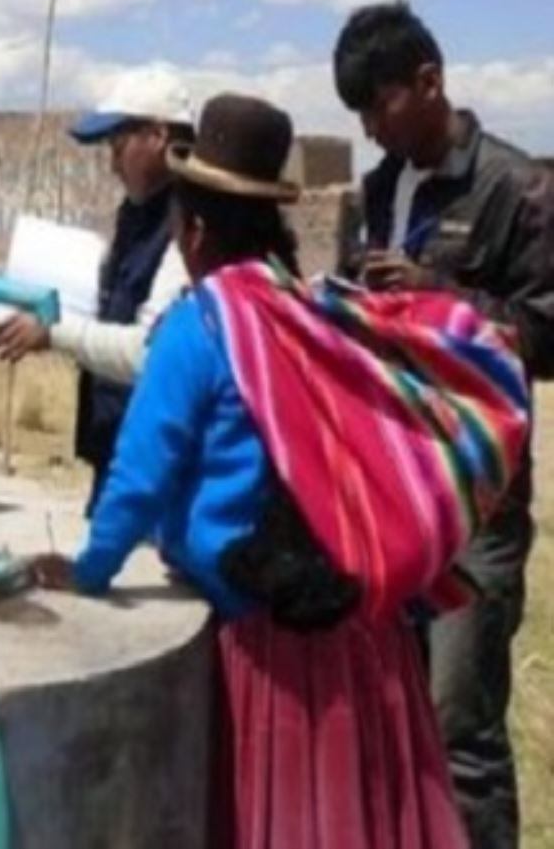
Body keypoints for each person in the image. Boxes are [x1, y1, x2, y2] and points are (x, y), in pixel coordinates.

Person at [35, 93, 531, 848]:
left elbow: (139, 477)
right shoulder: (310, 307)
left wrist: (91, 570)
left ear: (193, 230)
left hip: (276, 651)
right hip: (365, 640)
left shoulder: (199, 326)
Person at [333, 0, 554, 848]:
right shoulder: (377, 189)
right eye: (356, 115)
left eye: (379, 106)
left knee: (460, 730)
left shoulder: (518, 184)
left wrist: (437, 299)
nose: (370, 129)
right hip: (388, 489)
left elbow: (544, 331)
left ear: (430, 81)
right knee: (389, 714)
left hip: (478, 501)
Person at [0, 66, 194, 510]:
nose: (112, 165)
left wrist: (55, 331)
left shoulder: (191, 226)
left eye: (119, 148)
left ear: (157, 136)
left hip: (159, 465)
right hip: (119, 448)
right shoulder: (137, 215)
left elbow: (149, 353)